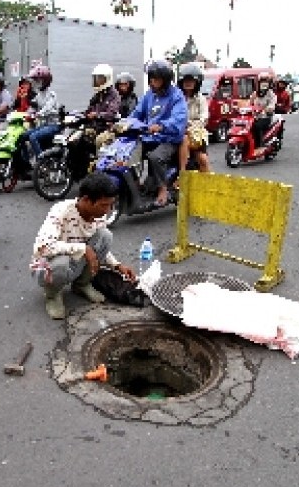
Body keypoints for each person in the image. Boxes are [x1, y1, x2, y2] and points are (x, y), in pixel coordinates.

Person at [30, 173, 136, 319]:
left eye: (111, 205)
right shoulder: (61, 211)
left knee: (105, 236)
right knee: (62, 263)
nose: (108, 210)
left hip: (73, 261)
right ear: (86, 200)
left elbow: (99, 247)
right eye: (104, 205)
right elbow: (43, 247)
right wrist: (83, 248)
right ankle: (52, 295)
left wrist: (117, 266)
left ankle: (81, 285)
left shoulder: (99, 216)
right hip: (47, 266)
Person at [130, 60, 188, 207]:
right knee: (129, 152)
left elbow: (178, 120)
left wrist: (161, 126)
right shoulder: (149, 95)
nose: (153, 82)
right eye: (152, 78)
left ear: (166, 80)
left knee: (155, 157)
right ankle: (137, 185)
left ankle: (163, 190)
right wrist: (126, 123)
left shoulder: (177, 96)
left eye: (157, 79)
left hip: (169, 139)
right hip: (149, 137)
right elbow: (136, 113)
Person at [176, 62, 210, 176]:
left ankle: (184, 174)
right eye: (186, 80)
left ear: (197, 82)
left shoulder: (201, 99)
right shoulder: (176, 98)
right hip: (177, 133)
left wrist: (190, 125)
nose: (188, 83)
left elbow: (204, 118)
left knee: (203, 159)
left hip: (196, 135)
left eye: (191, 80)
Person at [25, 65, 61, 157]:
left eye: (38, 80)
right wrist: (26, 114)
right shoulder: (38, 95)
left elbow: (48, 108)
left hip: (53, 126)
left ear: (45, 80)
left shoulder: (52, 94)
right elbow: (31, 108)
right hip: (43, 126)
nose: (36, 82)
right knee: (21, 136)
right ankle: (25, 163)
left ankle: (41, 161)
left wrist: (38, 114)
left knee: (33, 137)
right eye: (35, 80)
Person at [248, 71, 277, 148]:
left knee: (257, 126)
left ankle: (259, 144)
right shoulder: (255, 94)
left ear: (269, 83)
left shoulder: (271, 94)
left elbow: (272, 104)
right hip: (254, 116)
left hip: (266, 117)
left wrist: (268, 109)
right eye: (262, 81)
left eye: (266, 81)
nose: (264, 83)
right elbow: (249, 103)